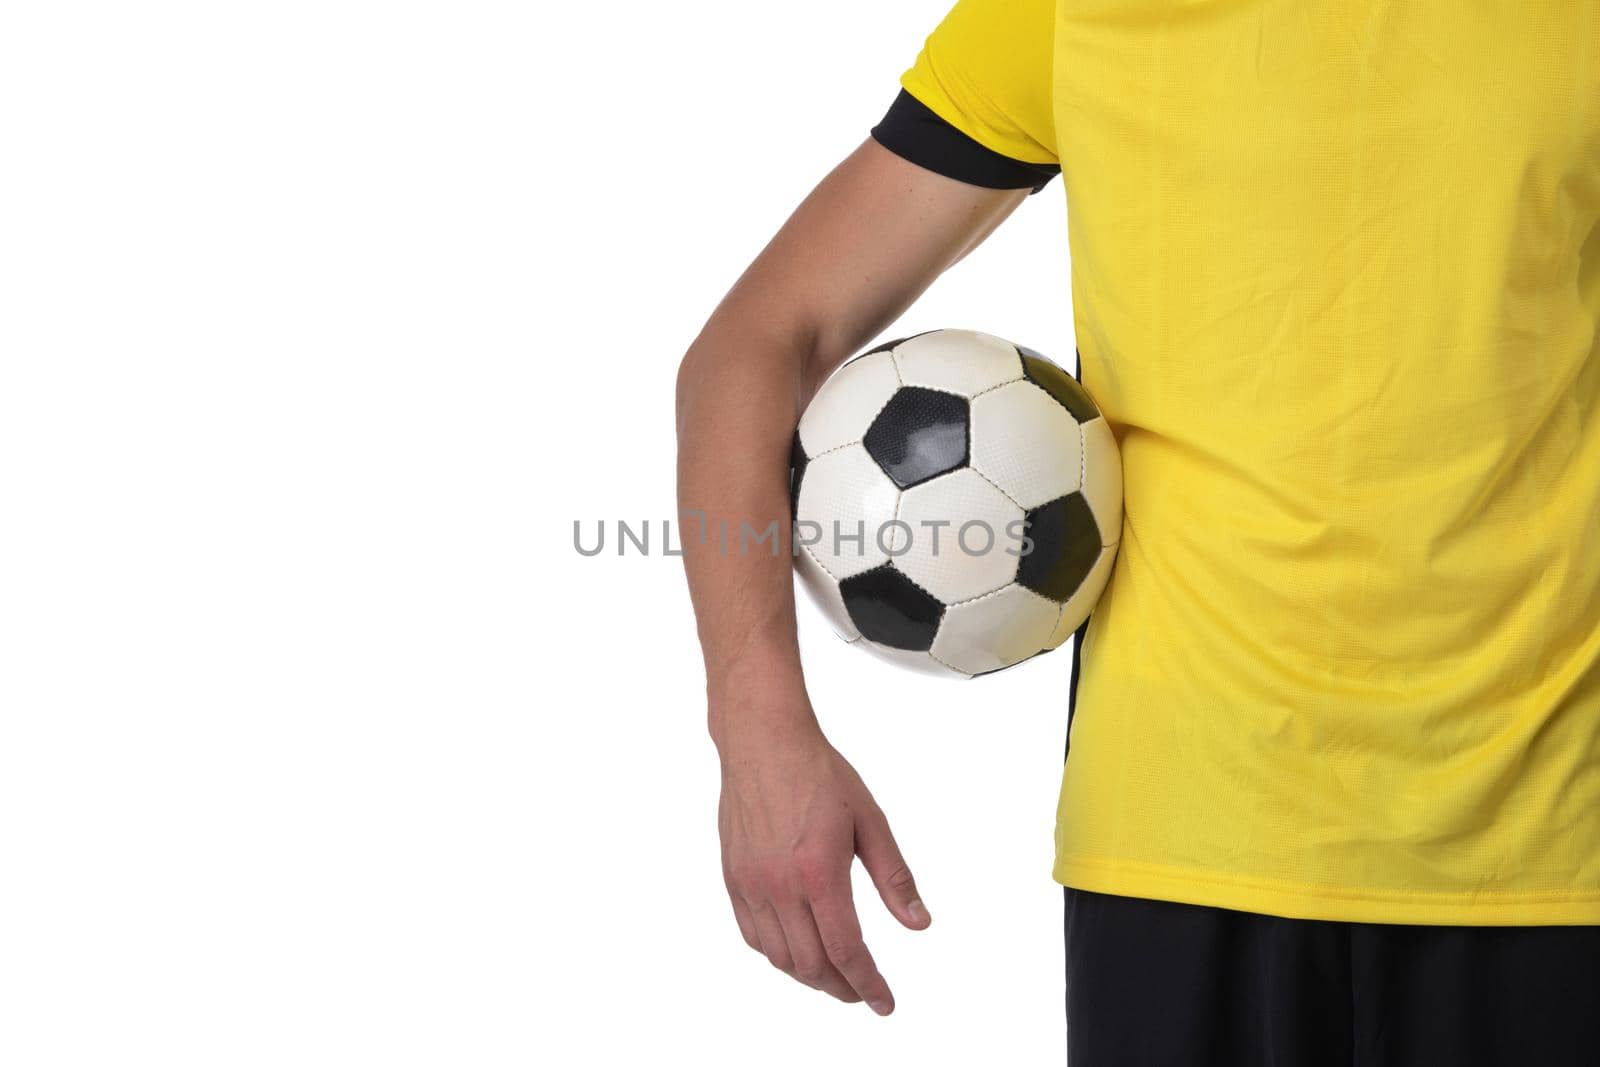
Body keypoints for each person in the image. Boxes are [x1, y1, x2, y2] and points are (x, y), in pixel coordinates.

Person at [674, 0, 1600, 1060]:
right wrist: (759, 736)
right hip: (1180, 845)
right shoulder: (1075, 13)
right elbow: (755, 341)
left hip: (1550, 847)